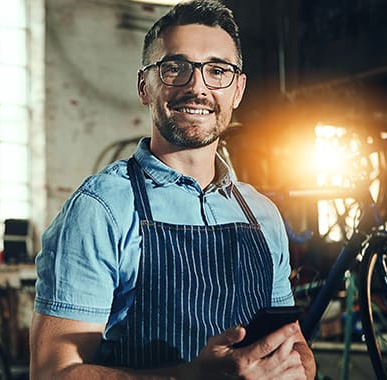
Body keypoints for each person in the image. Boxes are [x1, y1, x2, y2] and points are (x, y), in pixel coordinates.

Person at [30, 1, 315, 379]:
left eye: (217, 70)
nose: (197, 87)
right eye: (175, 68)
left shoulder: (262, 214)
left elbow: (299, 354)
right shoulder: (100, 210)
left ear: (238, 90)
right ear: (144, 86)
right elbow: (53, 373)